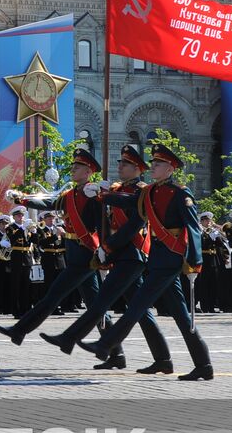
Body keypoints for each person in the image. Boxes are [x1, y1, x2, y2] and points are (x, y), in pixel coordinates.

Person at [77, 143, 213, 381]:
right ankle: (196, 364)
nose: (153, 167)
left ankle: (105, 344)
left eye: (158, 164)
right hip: (159, 257)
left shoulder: (180, 193)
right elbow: (130, 202)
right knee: (181, 315)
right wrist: (103, 195)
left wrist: (195, 261)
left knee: (137, 305)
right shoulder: (149, 192)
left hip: (172, 256)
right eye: (153, 163)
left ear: (170, 169)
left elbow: (193, 228)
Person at [37, 144, 169, 373]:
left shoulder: (141, 190)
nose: (120, 166)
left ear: (138, 169)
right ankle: (156, 358)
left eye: (125, 163)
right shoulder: (117, 188)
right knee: (140, 310)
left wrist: (107, 244)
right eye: (120, 162)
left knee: (102, 301)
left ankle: (75, 339)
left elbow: (133, 224)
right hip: (120, 254)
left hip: (133, 252)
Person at [0, 148, 104, 349]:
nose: (73, 169)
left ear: (89, 172)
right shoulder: (70, 194)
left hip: (85, 252)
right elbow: (49, 202)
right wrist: (21, 199)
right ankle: (114, 350)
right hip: (74, 250)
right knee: (94, 302)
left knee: (54, 294)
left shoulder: (93, 193)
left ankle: (20, 330)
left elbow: (102, 223)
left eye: (78, 167)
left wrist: (105, 247)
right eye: (73, 166)